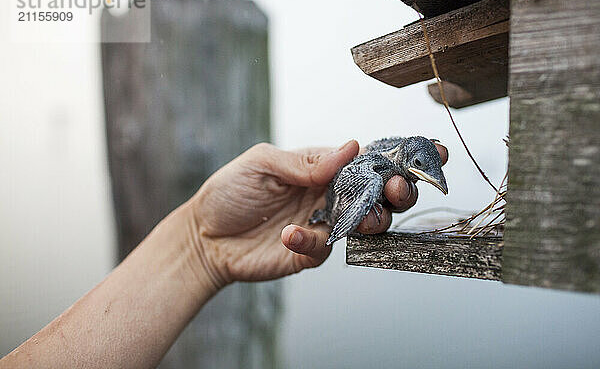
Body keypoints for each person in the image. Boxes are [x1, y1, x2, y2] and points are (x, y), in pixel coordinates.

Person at [0, 140, 447, 369]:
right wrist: (201, 245)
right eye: (424, 170)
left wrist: (202, 245)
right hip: (328, 200)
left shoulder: (390, 155)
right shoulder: (376, 165)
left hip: (276, 221)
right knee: (371, 192)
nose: (430, 180)